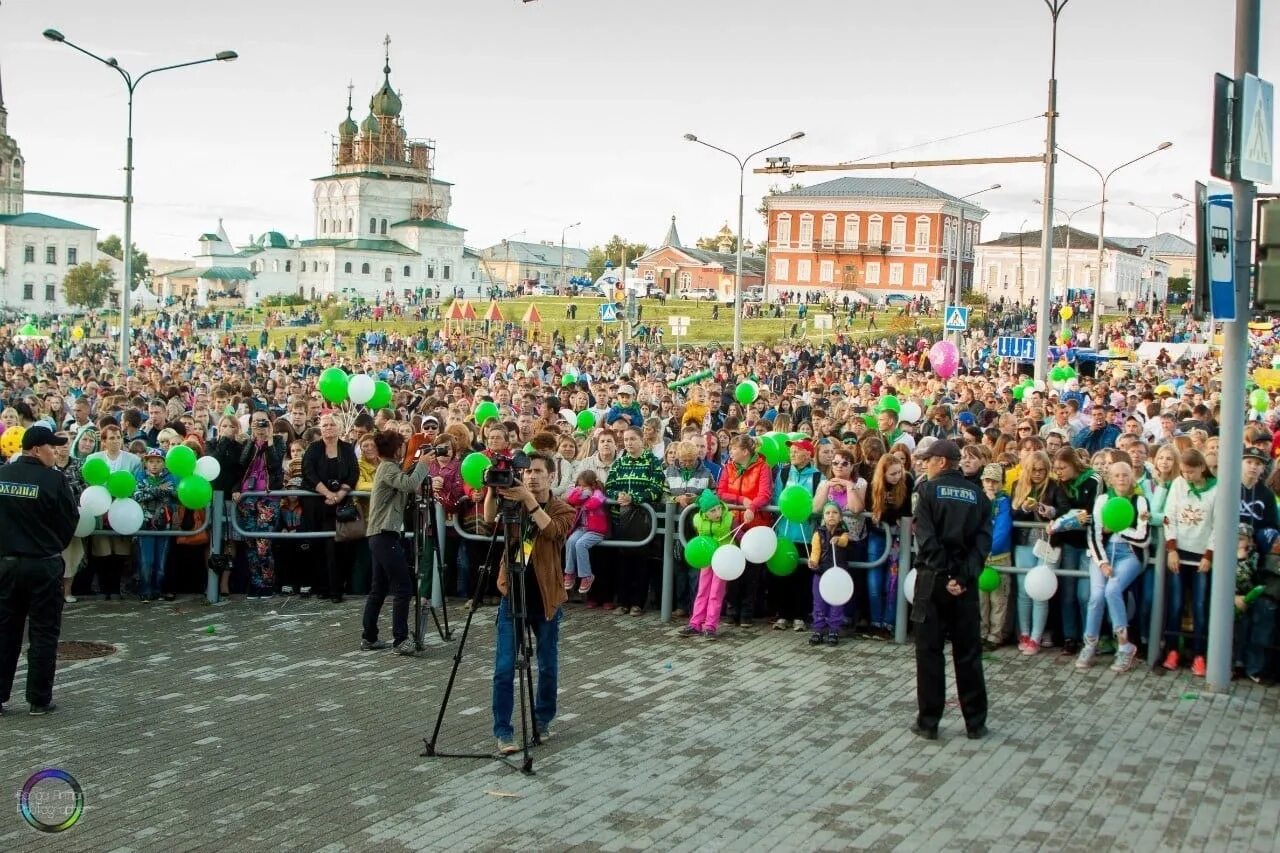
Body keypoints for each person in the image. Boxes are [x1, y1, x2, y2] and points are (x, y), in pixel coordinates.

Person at [484, 451, 574, 755]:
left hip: (546, 599)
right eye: (527, 472)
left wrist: (529, 500)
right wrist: (492, 489)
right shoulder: (513, 502)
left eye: (538, 472)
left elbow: (551, 530)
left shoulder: (563, 508)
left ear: (551, 476)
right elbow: (486, 520)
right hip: (513, 594)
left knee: (547, 665)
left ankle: (542, 718)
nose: (531, 477)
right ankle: (503, 731)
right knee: (504, 667)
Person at [910, 439, 992, 741]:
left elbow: (926, 538)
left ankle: (928, 721)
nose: (924, 464)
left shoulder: (927, 491)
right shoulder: (979, 496)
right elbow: (982, 544)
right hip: (965, 585)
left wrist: (945, 575)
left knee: (929, 653)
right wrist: (963, 577)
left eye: (928, 460)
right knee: (968, 653)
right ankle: (975, 722)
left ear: (942, 461)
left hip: (932, 581)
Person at [0, 426, 79, 717]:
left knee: (5, 631)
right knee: (44, 632)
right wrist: (52, 544)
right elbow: (69, 519)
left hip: (6, 565)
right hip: (43, 564)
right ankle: (38, 699)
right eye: (51, 447)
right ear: (35, 449)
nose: (56, 451)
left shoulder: (2, 476)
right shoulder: (54, 479)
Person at [361, 430, 431, 656]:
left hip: (380, 534)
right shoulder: (388, 468)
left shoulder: (390, 467)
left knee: (378, 588)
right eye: (402, 445)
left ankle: (369, 636)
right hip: (383, 534)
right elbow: (410, 484)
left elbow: (405, 478)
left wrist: (415, 460)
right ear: (394, 448)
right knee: (403, 587)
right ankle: (400, 639)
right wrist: (423, 464)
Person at [808, 502, 850, 646]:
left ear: (841, 517)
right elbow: (815, 552)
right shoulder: (818, 533)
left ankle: (834, 630)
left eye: (835, 513)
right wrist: (813, 562)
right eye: (827, 513)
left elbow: (844, 542)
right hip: (821, 574)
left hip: (838, 575)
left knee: (836, 603)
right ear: (823, 517)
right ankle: (818, 629)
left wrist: (838, 540)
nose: (831, 515)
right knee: (819, 603)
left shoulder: (843, 532)